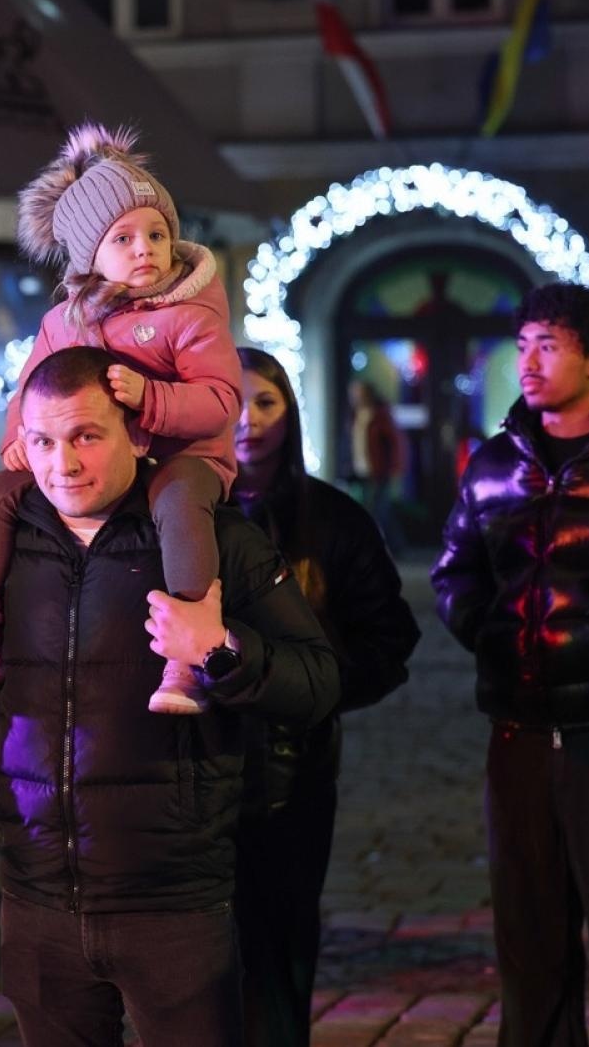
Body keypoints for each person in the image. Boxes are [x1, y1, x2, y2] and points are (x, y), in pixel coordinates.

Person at [0, 346, 339, 1047]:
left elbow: (318, 685)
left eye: (86, 436)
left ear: (138, 434)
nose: (62, 464)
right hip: (35, 897)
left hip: (174, 901)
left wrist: (219, 650)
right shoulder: (6, 546)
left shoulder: (211, 541)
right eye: (41, 441)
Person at [0, 123, 241, 716]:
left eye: (157, 234)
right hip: (97, 463)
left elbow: (220, 400)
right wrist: (20, 438)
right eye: (124, 238)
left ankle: (187, 652)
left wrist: (151, 397)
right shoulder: (64, 322)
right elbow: (31, 386)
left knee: (178, 499)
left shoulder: (188, 315)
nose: (145, 248)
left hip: (182, 456)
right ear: (90, 254)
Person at [432, 283, 589, 1047]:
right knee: (529, 934)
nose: (529, 363)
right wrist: (495, 631)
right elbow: (455, 569)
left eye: (549, 345)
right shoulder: (496, 462)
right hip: (517, 730)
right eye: (523, 346)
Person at [230, 348, 420, 1047]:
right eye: (232, 401)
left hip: (291, 771)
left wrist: (313, 690)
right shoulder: (173, 511)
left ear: (293, 413)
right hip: (188, 768)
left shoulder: (332, 520)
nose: (247, 421)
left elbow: (389, 637)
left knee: (279, 949)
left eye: (267, 403)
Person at [345, 379, 403, 554]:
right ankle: (391, 546)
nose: (355, 397)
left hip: (378, 470)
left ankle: (387, 547)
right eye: (353, 394)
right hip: (359, 469)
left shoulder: (380, 415)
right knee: (370, 510)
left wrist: (392, 467)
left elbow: (393, 443)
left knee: (379, 510)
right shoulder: (353, 415)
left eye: (358, 393)